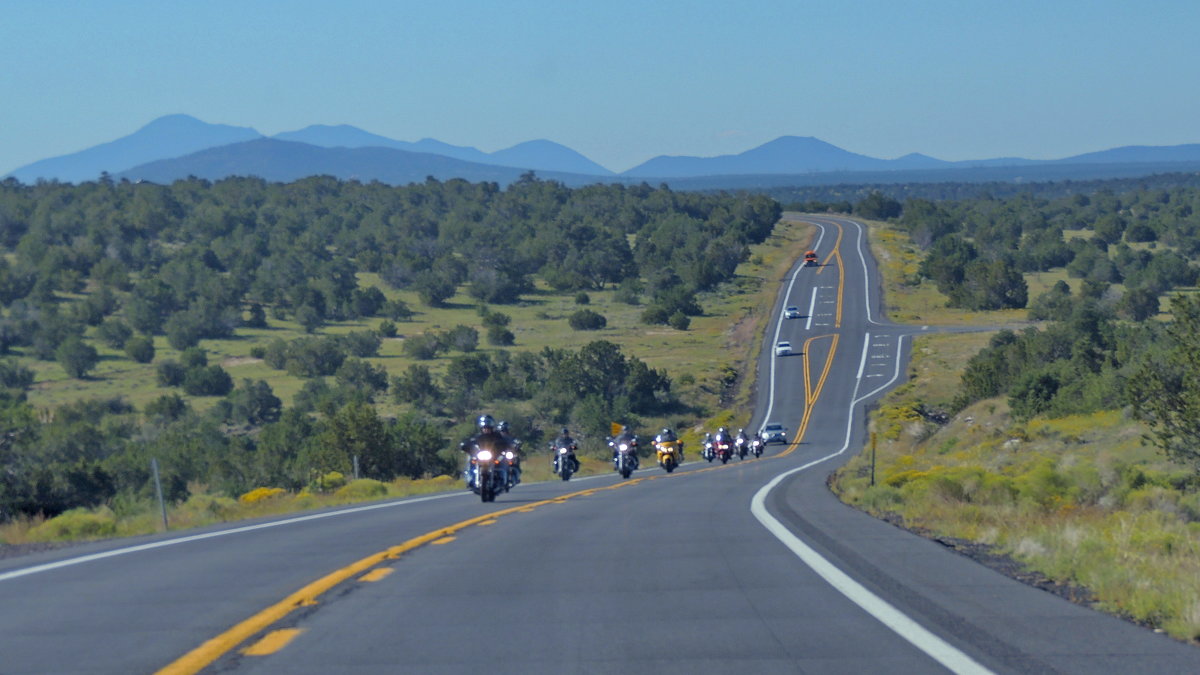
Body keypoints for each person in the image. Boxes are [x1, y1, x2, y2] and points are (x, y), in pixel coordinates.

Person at [459, 414, 511, 489]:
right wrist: (465, 445)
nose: (486, 430)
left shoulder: (497, 436)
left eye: (488, 428)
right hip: (481, 456)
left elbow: (505, 443)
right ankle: (470, 479)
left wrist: (505, 446)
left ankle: (503, 480)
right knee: (470, 460)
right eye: (484, 428)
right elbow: (471, 442)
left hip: (494, 456)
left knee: (503, 461)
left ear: (491, 428)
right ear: (481, 428)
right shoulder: (478, 437)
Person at [497, 420, 522, 486]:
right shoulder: (496, 437)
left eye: (505, 430)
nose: (503, 432)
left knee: (516, 459)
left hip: (508, 453)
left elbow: (516, 442)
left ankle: (517, 474)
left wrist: (517, 445)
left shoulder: (511, 437)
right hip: (499, 455)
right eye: (502, 430)